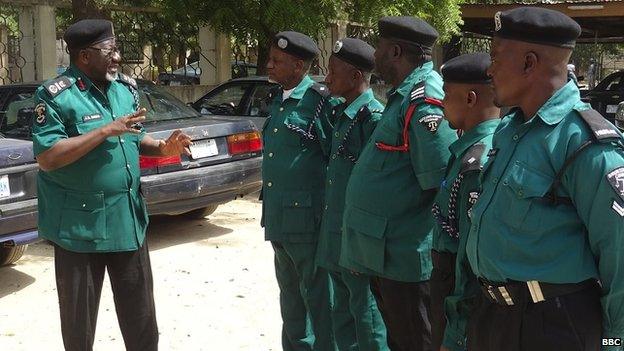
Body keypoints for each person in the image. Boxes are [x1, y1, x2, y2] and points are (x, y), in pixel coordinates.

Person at [465, 7, 624, 351]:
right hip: (492, 316)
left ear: (529, 63)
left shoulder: (584, 143)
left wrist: (613, 344)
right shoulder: (510, 131)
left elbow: (620, 258)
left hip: (551, 326)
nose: (488, 70)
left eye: (495, 58)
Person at [31, 19, 192, 351]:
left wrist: (163, 148)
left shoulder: (124, 89)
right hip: (80, 228)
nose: (118, 57)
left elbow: (134, 137)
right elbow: (48, 157)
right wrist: (105, 130)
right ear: (86, 56)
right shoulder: (55, 96)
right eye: (111, 50)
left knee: (143, 322)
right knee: (79, 329)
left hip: (127, 221)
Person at [340, 16, 458, 351]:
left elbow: (441, 184)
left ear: (394, 51)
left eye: (378, 47)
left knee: (414, 342)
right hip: (387, 253)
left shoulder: (422, 99)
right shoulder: (403, 96)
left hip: (407, 259)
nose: (374, 54)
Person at [261, 31, 336, 351]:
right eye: (270, 59)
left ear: (299, 65)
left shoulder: (319, 102)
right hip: (278, 219)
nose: (269, 65)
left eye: (278, 61)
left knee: (319, 299)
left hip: (307, 221)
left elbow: (335, 157)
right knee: (290, 303)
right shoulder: (279, 99)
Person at [315, 37, 389, 351]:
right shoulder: (344, 114)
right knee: (341, 315)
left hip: (358, 239)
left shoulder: (372, 118)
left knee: (367, 317)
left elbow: (379, 187)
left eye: (333, 72)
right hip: (337, 233)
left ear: (356, 77)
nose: (327, 78)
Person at [428, 53, 500, 351]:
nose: (441, 101)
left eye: (446, 94)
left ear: (470, 98)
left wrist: (455, 335)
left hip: (457, 292)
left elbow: (468, 262)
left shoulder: (478, 161)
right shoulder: (466, 148)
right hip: (447, 280)